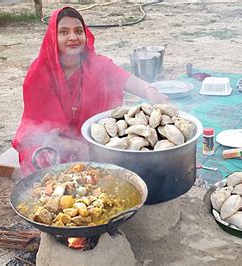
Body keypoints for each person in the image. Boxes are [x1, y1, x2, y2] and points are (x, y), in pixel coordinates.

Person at [12, 6, 169, 176]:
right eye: (64, 32)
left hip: (89, 137)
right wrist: (76, 147)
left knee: (121, 148)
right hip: (52, 140)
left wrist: (150, 90)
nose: (73, 37)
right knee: (45, 159)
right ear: (53, 38)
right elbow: (39, 131)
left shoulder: (96, 64)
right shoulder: (38, 74)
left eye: (78, 31)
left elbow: (125, 79)